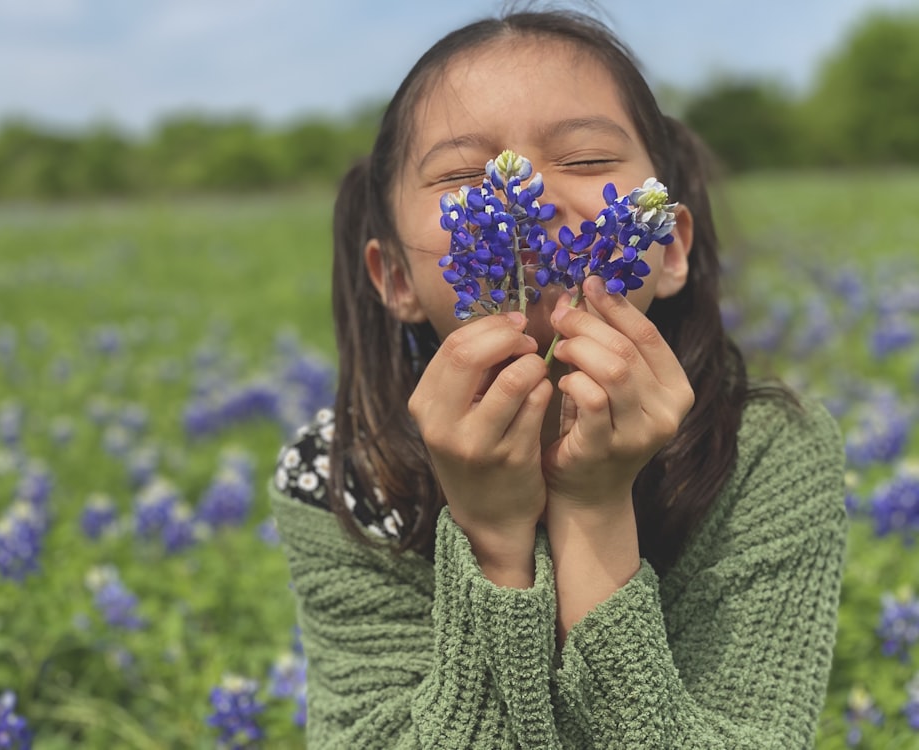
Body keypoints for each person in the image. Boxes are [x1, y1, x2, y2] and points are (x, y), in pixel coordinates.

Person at [270, 7, 847, 748]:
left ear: (667, 248)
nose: (527, 204)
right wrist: (491, 540)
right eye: (462, 178)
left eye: (582, 163)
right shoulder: (345, 475)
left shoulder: (764, 451)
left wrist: (595, 507)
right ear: (395, 278)